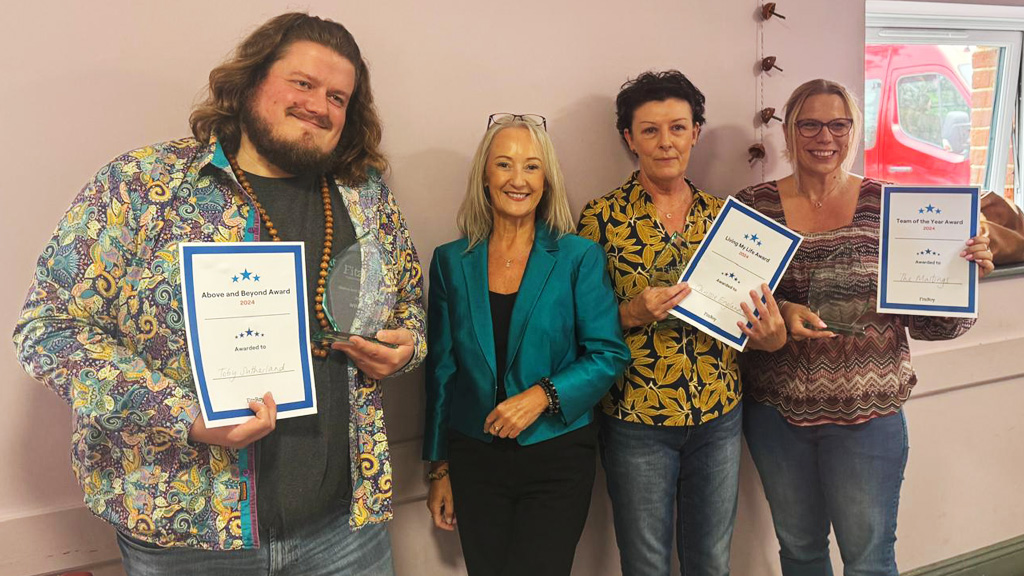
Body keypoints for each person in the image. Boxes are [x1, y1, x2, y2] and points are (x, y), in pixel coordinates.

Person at [12, 13, 425, 576]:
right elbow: (48, 328)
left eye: (337, 96)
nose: (319, 106)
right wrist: (185, 415)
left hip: (345, 529)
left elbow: (408, 308)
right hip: (187, 537)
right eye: (302, 83)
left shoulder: (364, 197)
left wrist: (404, 350)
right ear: (251, 82)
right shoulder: (142, 186)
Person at [735, 78, 994, 576]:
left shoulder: (893, 207)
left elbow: (932, 326)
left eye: (838, 124)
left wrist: (959, 278)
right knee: (800, 550)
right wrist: (779, 312)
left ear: (854, 132)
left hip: (866, 415)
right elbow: (732, 300)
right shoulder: (753, 205)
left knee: (869, 559)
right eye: (809, 123)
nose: (824, 136)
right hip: (775, 414)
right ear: (788, 132)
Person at [577, 70, 787, 576]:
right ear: (629, 139)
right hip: (636, 418)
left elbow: (756, 319)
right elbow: (578, 325)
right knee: (645, 562)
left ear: (696, 131)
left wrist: (772, 335)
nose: (665, 142)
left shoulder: (729, 220)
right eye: (649, 130)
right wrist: (631, 312)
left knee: (711, 560)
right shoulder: (599, 219)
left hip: (718, 412)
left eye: (677, 127)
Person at [423, 113, 629, 576]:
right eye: (504, 165)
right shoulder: (450, 261)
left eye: (532, 166)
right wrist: (439, 468)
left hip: (556, 455)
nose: (518, 179)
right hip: (474, 459)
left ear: (547, 179)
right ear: (485, 177)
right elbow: (441, 371)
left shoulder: (578, 256)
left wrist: (542, 396)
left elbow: (608, 353)